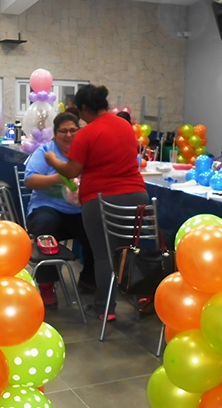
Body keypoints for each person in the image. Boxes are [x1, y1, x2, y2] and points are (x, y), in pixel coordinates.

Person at [45, 84, 148, 321]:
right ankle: (141, 297)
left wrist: (52, 160)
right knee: (128, 252)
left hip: (102, 200)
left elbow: (72, 171)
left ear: (83, 108)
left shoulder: (88, 133)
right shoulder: (124, 125)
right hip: (137, 197)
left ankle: (105, 309)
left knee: (104, 257)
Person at [24, 113, 96, 308]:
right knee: (46, 225)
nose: (68, 135)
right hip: (47, 208)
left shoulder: (86, 152)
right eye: (63, 131)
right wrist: (60, 176)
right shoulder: (46, 152)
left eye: (73, 130)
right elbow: (30, 180)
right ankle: (47, 283)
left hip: (78, 211)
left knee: (96, 228)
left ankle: (89, 279)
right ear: (55, 134)